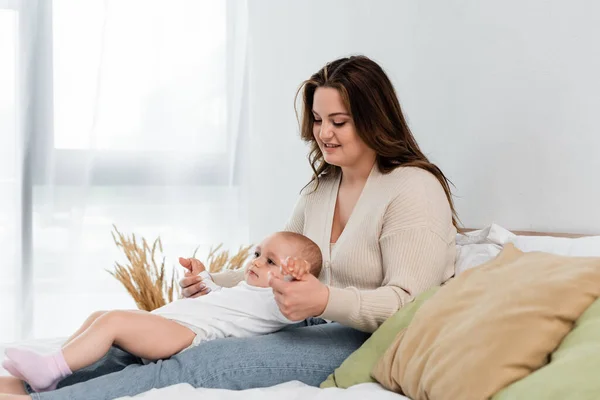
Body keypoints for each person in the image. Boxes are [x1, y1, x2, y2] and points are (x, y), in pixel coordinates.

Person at [0, 55, 459, 400]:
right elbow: (275, 269)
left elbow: (408, 302)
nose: (324, 133)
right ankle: (22, 385)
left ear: (375, 119)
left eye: (339, 121)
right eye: (318, 120)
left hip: (364, 339)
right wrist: (212, 283)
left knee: (193, 362)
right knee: (137, 339)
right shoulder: (320, 190)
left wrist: (324, 299)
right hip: (300, 320)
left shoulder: (411, 188)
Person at [2, 232, 322, 393]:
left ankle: (51, 369)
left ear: (292, 277)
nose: (255, 262)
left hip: (184, 337)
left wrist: (300, 278)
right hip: (169, 323)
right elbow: (215, 296)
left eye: (270, 262)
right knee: (102, 314)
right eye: (257, 253)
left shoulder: (278, 303)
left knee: (114, 321)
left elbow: (297, 305)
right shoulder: (246, 289)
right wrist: (203, 276)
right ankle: (59, 367)